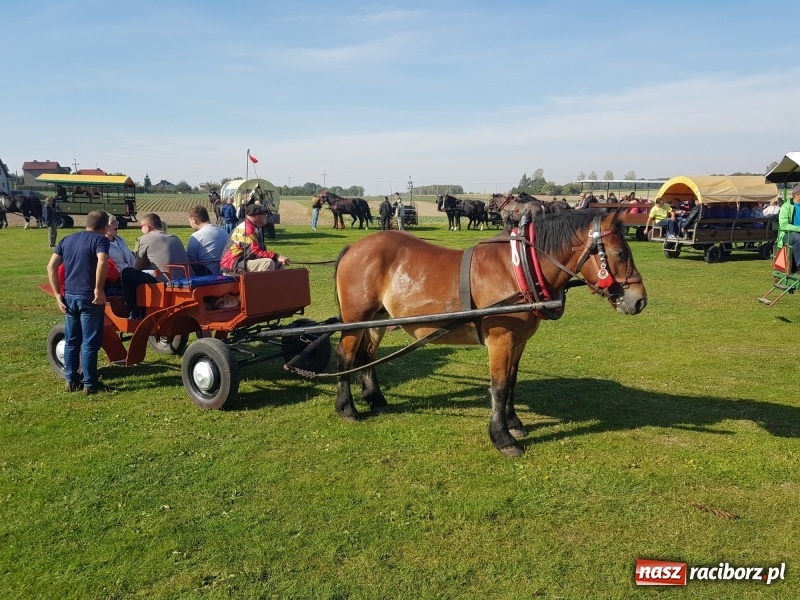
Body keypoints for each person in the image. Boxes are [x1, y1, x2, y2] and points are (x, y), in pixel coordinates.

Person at [46, 210, 113, 395]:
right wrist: (99, 289)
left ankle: (71, 380)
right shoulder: (100, 240)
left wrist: (58, 294)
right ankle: (90, 383)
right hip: (89, 297)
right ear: (105, 226)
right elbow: (102, 262)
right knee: (90, 342)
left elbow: (51, 266)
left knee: (72, 340)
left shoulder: (67, 239)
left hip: (70, 296)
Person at [120, 213, 190, 319]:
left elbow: (138, 267)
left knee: (127, 273)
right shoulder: (175, 237)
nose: (141, 230)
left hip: (165, 281)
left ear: (147, 226)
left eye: (141, 227)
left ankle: (134, 311)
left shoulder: (145, 239)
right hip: (184, 276)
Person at [220, 204, 290, 274]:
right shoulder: (246, 229)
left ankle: (277, 285)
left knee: (279, 264)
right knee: (268, 263)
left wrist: (277, 259)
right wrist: (276, 257)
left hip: (242, 261)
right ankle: (263, 285)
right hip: (232, 264)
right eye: (265, 215)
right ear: (257, 217)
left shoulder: (253, 228)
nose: (267, 217)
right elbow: (253, 252)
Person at [186, 205, 231, 275]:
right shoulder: (224, 232)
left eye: (189, 221)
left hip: (206, 275)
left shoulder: (196, 237)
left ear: (194, 220)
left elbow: (189, 261)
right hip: (226, 272)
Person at [777, 185, 800, 271]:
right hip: (787, 234)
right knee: (798, 238)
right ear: (798, 194)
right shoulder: (786, 206)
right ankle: (799, 267)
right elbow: (783, 225)